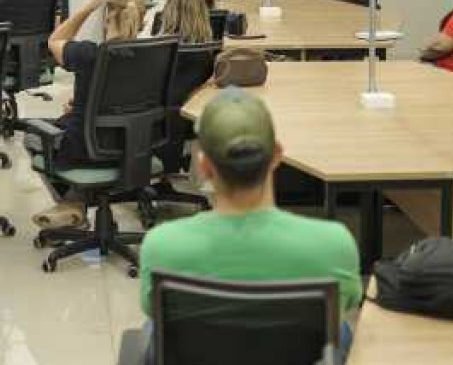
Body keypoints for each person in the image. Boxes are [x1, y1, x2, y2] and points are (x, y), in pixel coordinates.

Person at [139, 89, 362, 351]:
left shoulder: (162, 246)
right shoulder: (334, 244)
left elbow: (151, 309)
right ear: (277, 155)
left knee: (153, 330)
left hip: (200, 364)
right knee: (340, 331)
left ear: (204, 166)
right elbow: (348, 303)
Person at [30, 0, 146, 227]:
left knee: (33, 135)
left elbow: (55, 40)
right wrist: (84, 102)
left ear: (107, 16)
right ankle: (76, 202)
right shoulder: (152, 57)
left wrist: (90, 5)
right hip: (133, 148)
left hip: (86, 150)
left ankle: (73, 203)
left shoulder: (88, 54)